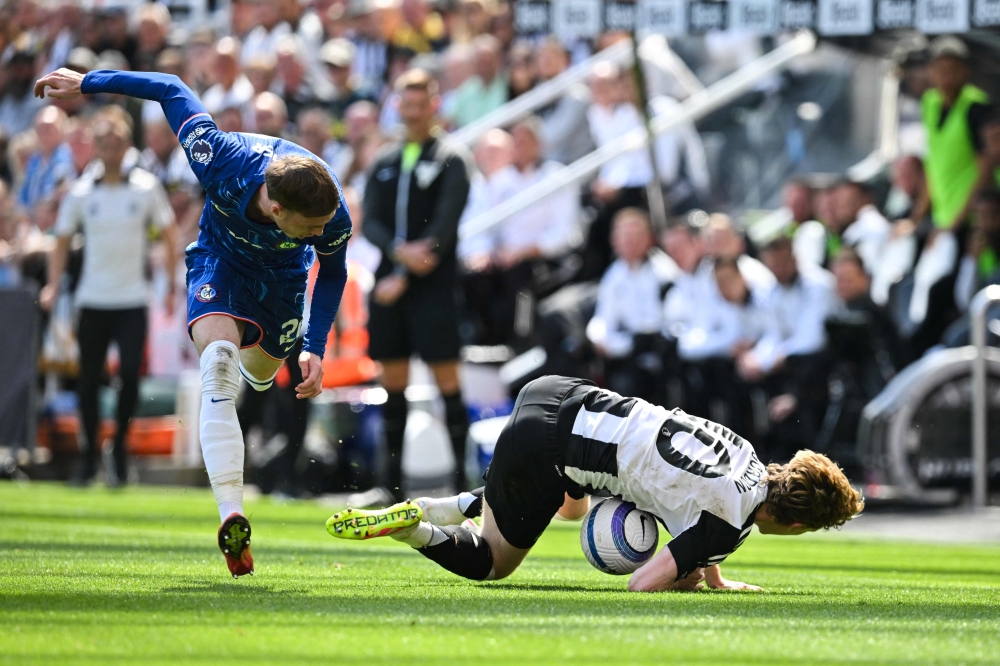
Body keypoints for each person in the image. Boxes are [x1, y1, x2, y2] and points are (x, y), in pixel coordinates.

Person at [35, 65, 352, 579]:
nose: (323, 232)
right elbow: (170, 88)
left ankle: (258, 368)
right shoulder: (222, 158)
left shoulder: (330, 213)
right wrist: (88, 82)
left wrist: (314, 344)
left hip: (284, 282)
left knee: (260, 373)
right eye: (311, 227)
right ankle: (232, 514)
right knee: (218, 362)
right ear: (274, 207)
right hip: (219, 261)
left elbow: (332, 271)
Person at [327, 375, 863, 591]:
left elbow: (703, 514)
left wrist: (716, 580)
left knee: (570, 509)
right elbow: (641, 582)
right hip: (550, 450)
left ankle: (448, 506)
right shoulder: (729, 522)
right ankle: (415, 528)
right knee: (493, 563)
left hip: (561, 393)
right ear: (795, 522)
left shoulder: (746, 456)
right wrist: (684, 582)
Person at [42, 116, 178, 487]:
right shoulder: (82, 191)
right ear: (96, 147)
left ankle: (117, 449)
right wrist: (53, 284)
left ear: (126, 145)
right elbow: (61, 239)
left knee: (131, 377)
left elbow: (169, 233)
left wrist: (169, 284)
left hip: (132, 299)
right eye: (103, 143)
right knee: (87, 381)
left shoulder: (146, 187)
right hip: (92, 298)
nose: (111, 149)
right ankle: (89, 457)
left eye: (116, 142)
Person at [360, 69, 473, 501]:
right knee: (392, 381)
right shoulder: (385, 161)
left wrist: (405, 271)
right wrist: (398, 252)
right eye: (404, 104)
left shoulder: (451, 157)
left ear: (434, 104)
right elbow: (369, 221)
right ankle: (389, 488)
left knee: (448, 382)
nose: (411, 112)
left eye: (419, 103)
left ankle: (464, 488)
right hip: (390, 287)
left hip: (433, 289)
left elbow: (443, 229)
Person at [587, 208, 676, 403]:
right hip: (627, 353)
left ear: (649, 239)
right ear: (614, 240)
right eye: (625, 237)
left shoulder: (664, 272)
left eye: (636, 237)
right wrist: (599, 338)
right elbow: (603, 317)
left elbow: (658, 326)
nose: (630, 243)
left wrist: (620, 344)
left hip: (657, 357)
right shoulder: (614, 274)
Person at [920, 37, 993, 233]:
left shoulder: (977, 108)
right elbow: (933, 163)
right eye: (939, 68)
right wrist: (916, 218)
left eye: (952, 68)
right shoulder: (930, 103)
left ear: (965, 71)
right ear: (930, 71)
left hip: (976, 218)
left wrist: (957, 222)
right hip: (944, 217)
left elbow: (986, 170)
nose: (946, 75)